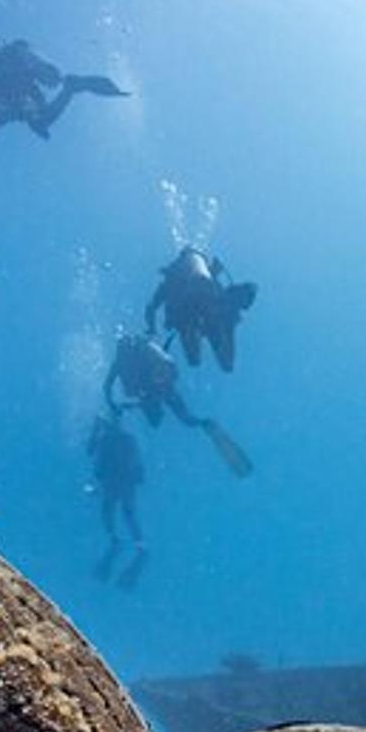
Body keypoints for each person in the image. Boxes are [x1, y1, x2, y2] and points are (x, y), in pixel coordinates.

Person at [103, 330, 255, 477]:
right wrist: (117, 405)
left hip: (160, 390)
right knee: (182, 419)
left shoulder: (127, 359)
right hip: (156, 391)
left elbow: (108, 387)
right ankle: (205, 424)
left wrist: (115, 405)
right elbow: (109, 387)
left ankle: (206, 423)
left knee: (180, 418)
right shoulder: (127, 360)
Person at [0, 37, 129, 138]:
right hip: (21, 95)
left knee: (38, 122)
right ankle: (71, 86)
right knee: (38, 122)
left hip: (21, 94)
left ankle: (71, 87)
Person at [145, 247, 258, 372]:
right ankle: (225, 311)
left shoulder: (178, 279)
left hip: (197, 318)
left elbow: (151, 307)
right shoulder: (195, 282)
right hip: (197, 317)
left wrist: (152, 328)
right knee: (200, 360)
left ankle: (225, 311)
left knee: (197, 360)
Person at [87, 411, 148, 588]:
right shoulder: (111, 439)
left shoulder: (121, 439)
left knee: (123, 510)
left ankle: (132, 541)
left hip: (119, 480)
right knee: (116, 510)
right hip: (117, 480)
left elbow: (136, 460)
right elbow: (92, 453)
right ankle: (127, 540)